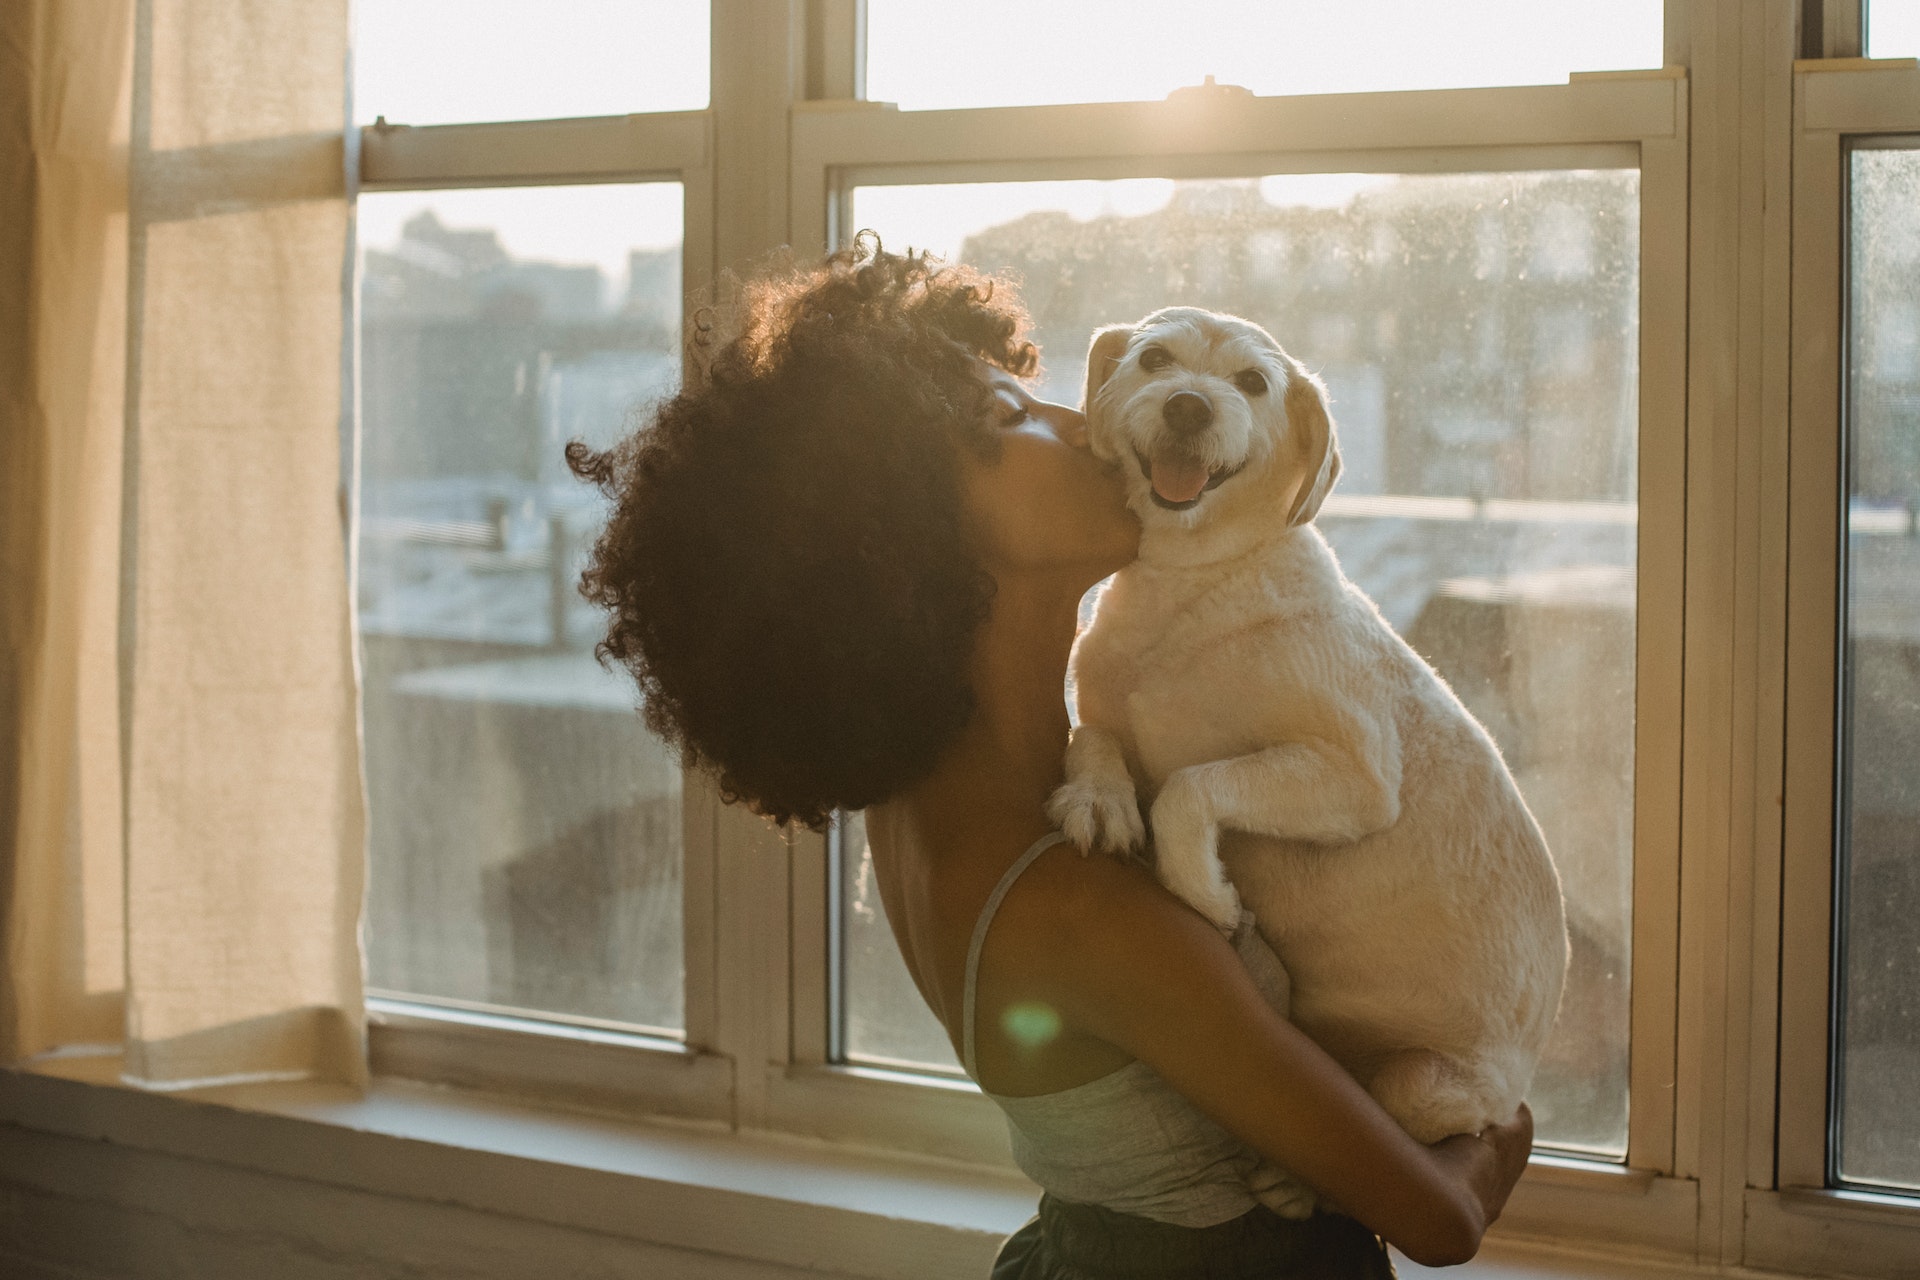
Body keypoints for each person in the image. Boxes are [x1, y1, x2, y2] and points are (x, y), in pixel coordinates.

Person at [569, 236, 1533, 1277]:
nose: (1077, 421)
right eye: (1010, 418)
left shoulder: (940, 804)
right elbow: (1437, 1220)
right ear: (901, 532)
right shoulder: (1081, 912)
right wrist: (1500, 1129)